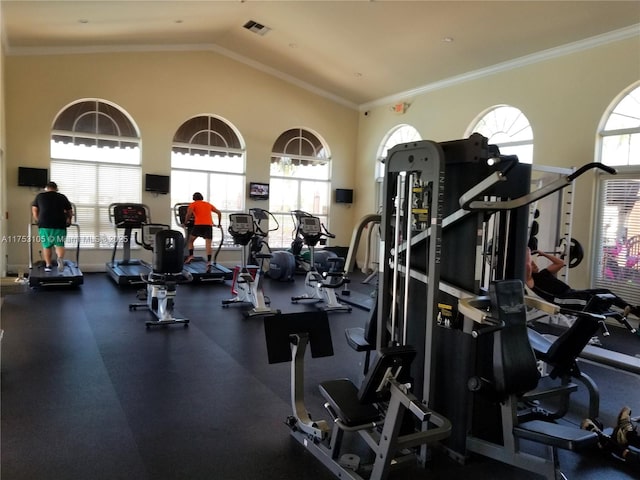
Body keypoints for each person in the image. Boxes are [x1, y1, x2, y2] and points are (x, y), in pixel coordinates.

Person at [525, 248, 640, 318]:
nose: (535, 265)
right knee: (592, 300)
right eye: (533, 264)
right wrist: (528, 251)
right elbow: (527, 264)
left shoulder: (544, 273)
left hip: (570, 292)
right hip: (561, 299)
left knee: (605, 292)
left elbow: (560, 263)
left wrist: (543, 253)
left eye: (534, 263)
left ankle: (631, 309)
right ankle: (616, 314)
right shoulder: (530, 280)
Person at [31, 181, 73, 272]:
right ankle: (60, 259)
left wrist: (38, 220)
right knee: (59, 244)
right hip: (60, 223)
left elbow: (34, 210)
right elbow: (69, 211)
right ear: (56, 189)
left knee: (47, 246)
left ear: (46, 188)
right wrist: (69, 220)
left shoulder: (40, 196)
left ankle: (48, 265)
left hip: (44, 224)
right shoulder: (62, 197)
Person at [182, 192, 222, 270]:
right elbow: (219, 212)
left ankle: (191, 256)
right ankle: (209, 262)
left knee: (190, 241)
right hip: (208, 226)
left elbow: (189, 214)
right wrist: (219, 224)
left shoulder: (193, 204)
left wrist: (185, 222)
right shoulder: (208, 204)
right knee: (208, 245)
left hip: (199, 225)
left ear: (194, 198)